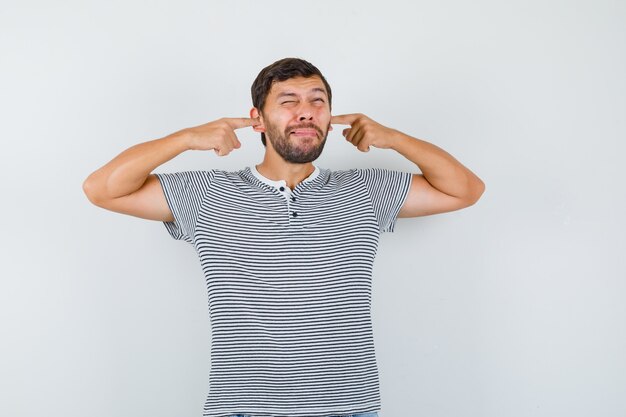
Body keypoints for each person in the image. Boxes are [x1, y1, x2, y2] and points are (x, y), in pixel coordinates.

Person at [83, 57, 485, 417]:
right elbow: (101, 188)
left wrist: (394, 139)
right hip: (242, 407)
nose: (306, 112)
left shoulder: (365, 189)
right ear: (257, 118)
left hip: (348, 406)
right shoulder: (206, 193)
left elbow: (465, 189)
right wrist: (186, 139)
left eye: (317, 101)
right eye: (288, 101)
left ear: (330, 117)